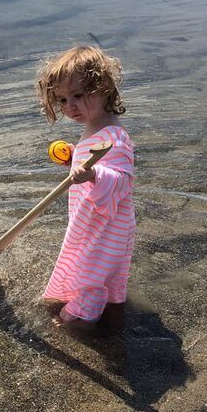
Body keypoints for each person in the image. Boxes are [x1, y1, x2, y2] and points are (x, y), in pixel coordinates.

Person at [35, 45, 136, 327]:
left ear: (103, 87)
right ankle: (103, 311)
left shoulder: (115, 138)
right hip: (95, 221)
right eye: (63, 100)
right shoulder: (96, 129)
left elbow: (122, 180)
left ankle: (81, 321)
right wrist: (76, 156)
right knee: (96, 268)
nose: (70, 107)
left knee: (90, 272)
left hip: (107, 226)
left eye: (78, 95)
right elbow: (95, 158)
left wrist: (93, 175)